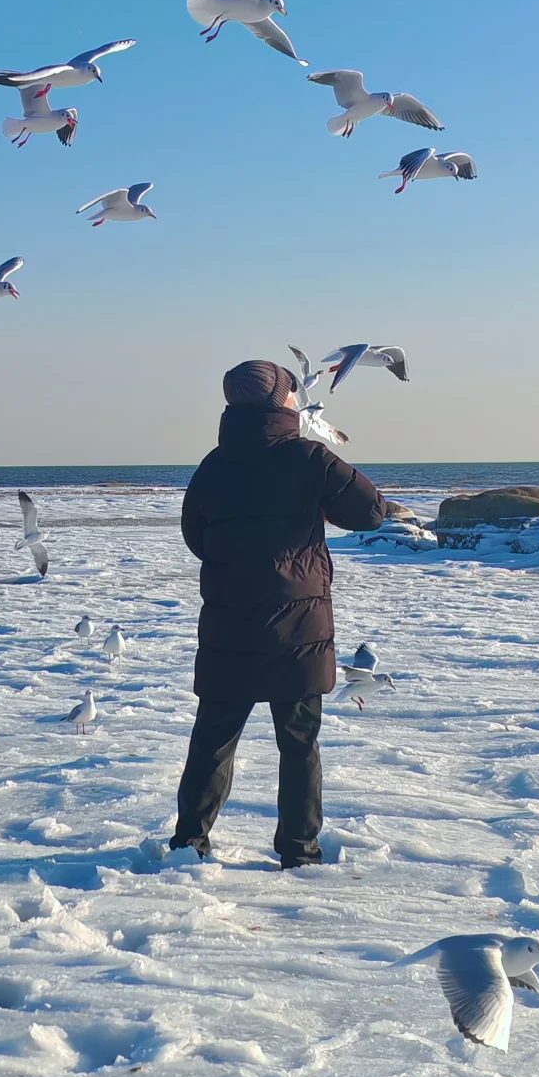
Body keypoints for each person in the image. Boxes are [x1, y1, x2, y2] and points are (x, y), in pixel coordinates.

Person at [170, 359, 386, 869]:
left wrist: (238, 563)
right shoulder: (310, 458)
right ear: (284, 401)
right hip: (299, 625)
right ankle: (298, 850)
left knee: (214, 739)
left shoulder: (213, 465)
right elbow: (371, 512)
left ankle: (189, 845)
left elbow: (195, 536)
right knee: (298, 742)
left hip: (230, 622)